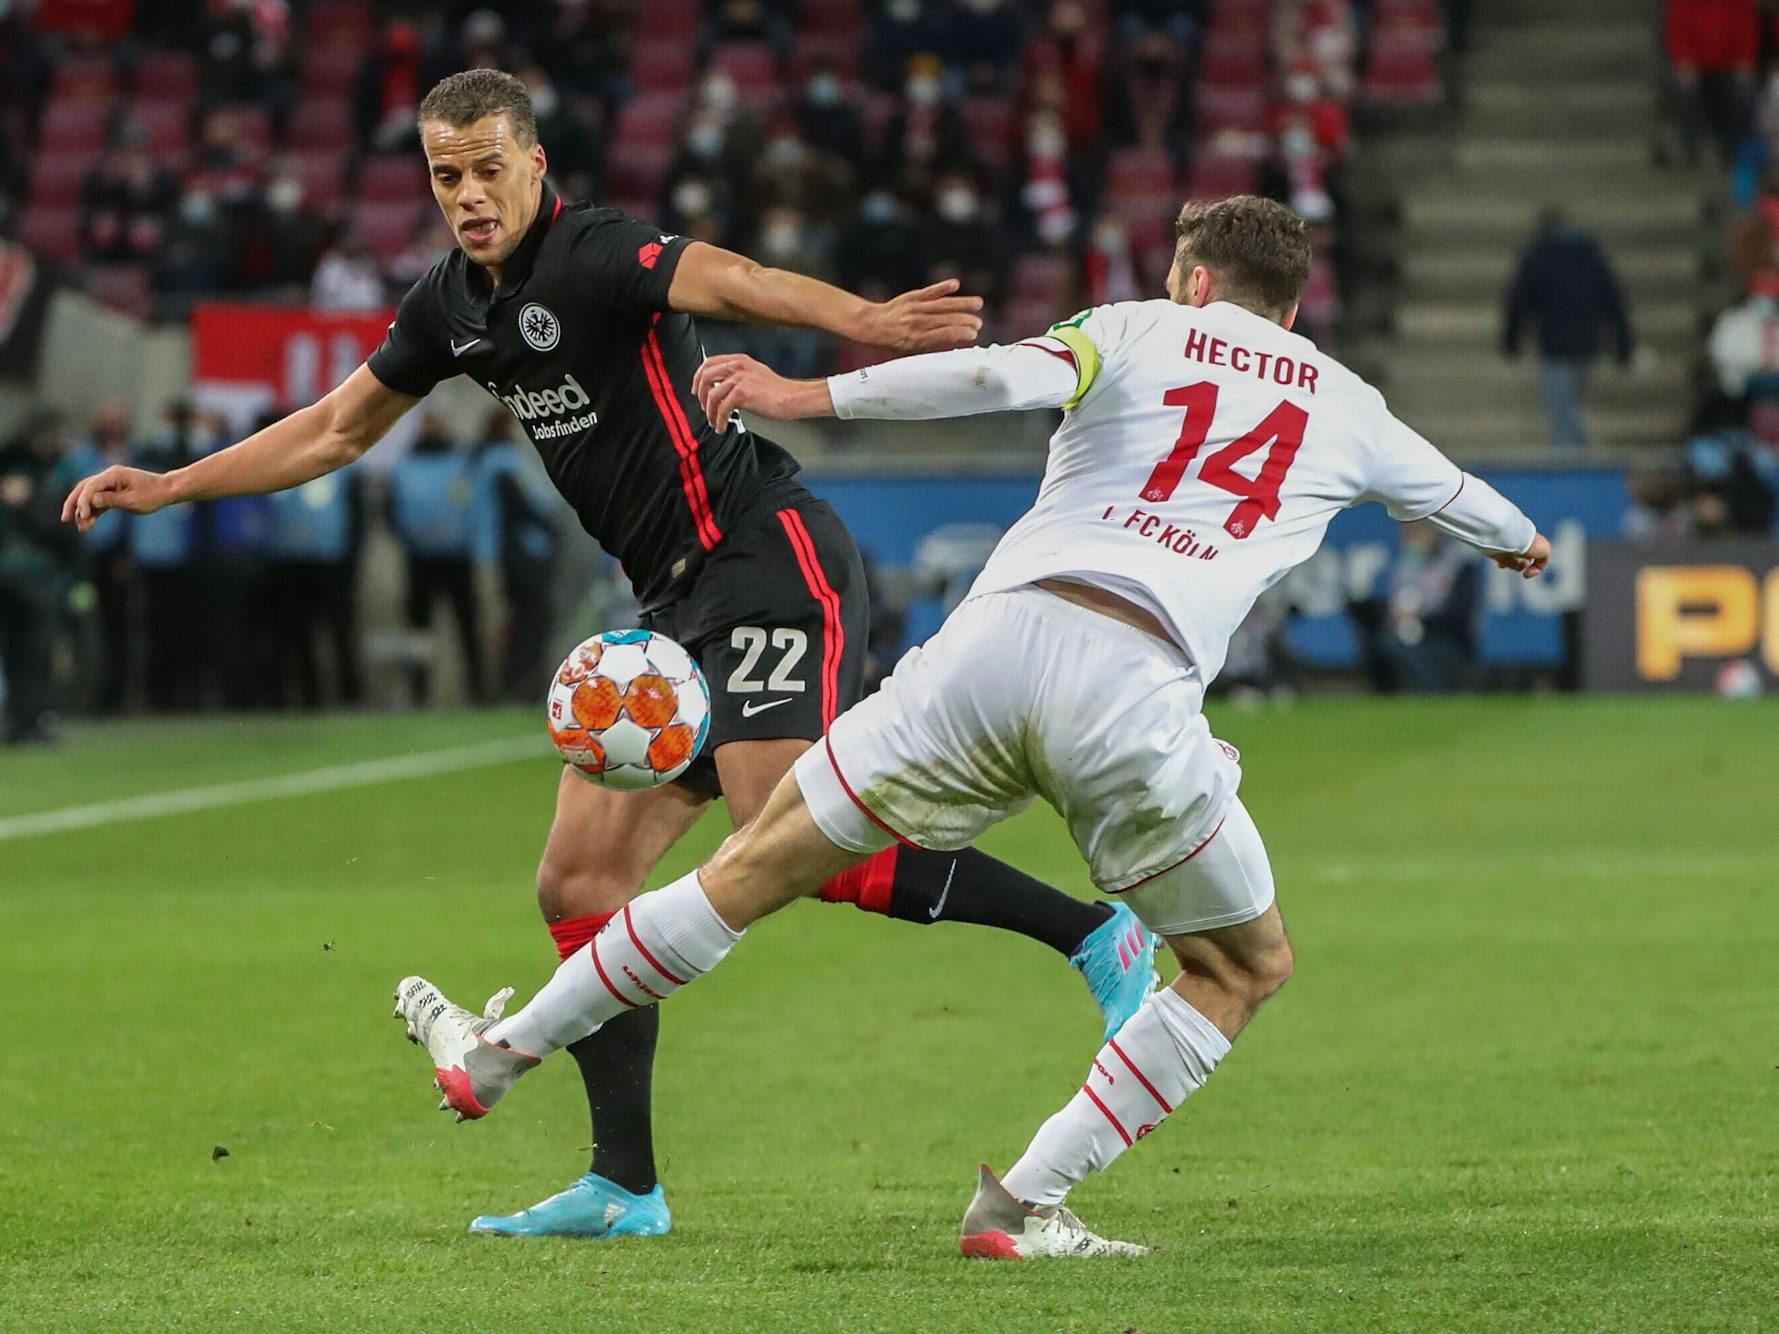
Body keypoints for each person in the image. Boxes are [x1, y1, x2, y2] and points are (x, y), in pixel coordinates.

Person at [65, 69, 1159, 1241]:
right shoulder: (450, 307)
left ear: (535, 164)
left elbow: (729, 277)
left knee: (801, 847)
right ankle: (625, 1185)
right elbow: (338, 427)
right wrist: (175, 483)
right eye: (447, 175)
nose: (470, 194)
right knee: (578, 882)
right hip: (669, 612)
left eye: (490, 167)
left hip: (765, 558)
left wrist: (866, 324)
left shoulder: (593, 252)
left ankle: (1100, 934)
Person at [394, 194, 1552, 1257]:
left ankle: (499, 1053)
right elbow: (1468, 500)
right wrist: (1521, 544)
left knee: (756, 861)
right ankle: (1020, 1203)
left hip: (990, 645)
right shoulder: (1348, 403)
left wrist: (807, 396)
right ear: (1293, 308)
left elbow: (995, 378)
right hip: (1136, 687)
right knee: (1242, 964)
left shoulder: (1139, 327)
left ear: (1192, 281)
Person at [1502, 207, 1634, 451]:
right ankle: (1573, 448)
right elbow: (1613, 300)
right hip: (1586, 339)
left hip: (1555, 341)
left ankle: (1570, 453)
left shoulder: (1538, 256)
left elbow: (1519, 300)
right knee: (1568, 400)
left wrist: (1512, 339)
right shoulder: (1591, 255)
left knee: (1563, 403)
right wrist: (1623, 343)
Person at [387, 416, 486, 704]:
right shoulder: (405, 466)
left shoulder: (462, 462)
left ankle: (478, 689)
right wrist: (410, 539)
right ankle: (419, 691)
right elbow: (390, 511)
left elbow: (477, 506)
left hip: (457, 558)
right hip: (420, 560)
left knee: (467, 625)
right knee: (419, 628)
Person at [0, 412, 79, 743]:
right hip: (10, 577)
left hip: (38, 578)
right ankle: (16, 719)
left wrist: (27, 503)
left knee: (37, 652)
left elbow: (58, 530)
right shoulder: (20, 470)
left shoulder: (51, 478)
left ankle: (35, 718)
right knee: (14, 653)